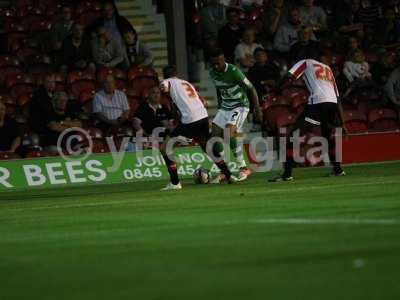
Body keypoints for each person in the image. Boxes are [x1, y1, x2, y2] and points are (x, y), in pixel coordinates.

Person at [269, 55, 346, 182]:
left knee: (292, 136)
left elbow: (290, 76)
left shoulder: (305, 62)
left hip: (318, 103)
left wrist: (275, 90)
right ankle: (338, 170)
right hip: (332, 105)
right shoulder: (327, 68)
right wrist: (343, 123)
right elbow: (337, 98)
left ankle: (287, 174)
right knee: (327, 136)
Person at [159, 65, 235, 191]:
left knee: (165, 147)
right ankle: (229, 175)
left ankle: (175, 183)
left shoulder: (167, 82)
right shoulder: (186, 83)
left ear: (165, 75)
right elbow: (204, 102)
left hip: (190, 119)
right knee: (207, 147)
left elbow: (163, 87)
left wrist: (165, 91)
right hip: (203, 116)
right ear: (176, 73)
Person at [209, 48, 262, 182]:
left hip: (240, 105)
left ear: (223, 60)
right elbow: (219, 89)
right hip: (225, 107)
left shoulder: (234, 71)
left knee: (229, 131)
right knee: (214, 137)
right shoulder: (212, 72)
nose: (216, 66)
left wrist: (257, 108)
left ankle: (243, 168)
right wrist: (221, 106)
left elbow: (251, 88)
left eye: (218, 63)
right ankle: (224, 171)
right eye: (213, 64)